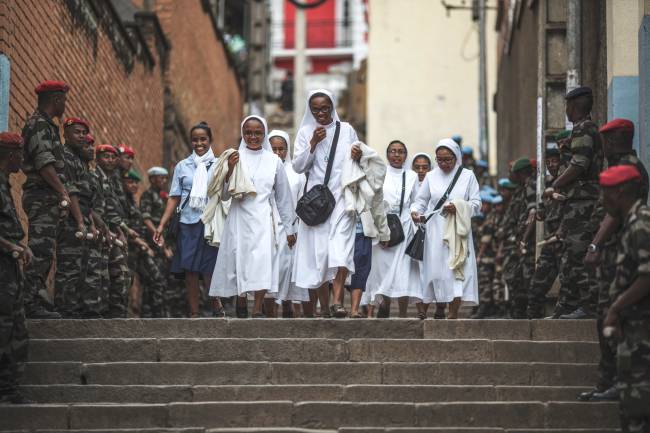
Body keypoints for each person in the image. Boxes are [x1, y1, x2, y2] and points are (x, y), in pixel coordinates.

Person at [579, 119, 649, 403]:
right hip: (617, 253)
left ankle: (614, 383)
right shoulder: (623, 166)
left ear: (617, 140)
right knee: (606, 316)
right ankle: (610, 382)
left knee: (610, 315)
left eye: (607, 141)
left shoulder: (627, 170)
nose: (604, 146)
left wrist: (595, 244)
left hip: (621, 254)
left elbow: (615, 213)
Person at [209, 116, 296, 318]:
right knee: (239, 259)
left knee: (262, 262)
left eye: (257, 133)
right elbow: (222, 195)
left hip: (263, 219)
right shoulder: (234, 156)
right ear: (242, 133)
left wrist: (290, 229)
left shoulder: (274, 161)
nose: (253, 136)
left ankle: (257, 307)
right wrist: (229, 169)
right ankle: (240, 298)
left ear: (264, 134)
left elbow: (283, 199)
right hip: (238, 217)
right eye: (248, 132)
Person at [291, 89, 362, 318]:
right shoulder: (304, 132)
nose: (320, 113)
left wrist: (358, 156)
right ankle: (325, 306)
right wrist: (312, 143)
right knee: (319, 256)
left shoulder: (347, 130)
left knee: (341, 250)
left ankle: (338, 301)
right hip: (318, 204)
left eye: (325, 108)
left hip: (341, 199)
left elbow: (357, 163)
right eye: (315, 109)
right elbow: (298, 167)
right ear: (310, 110)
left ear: (332, 107)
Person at [155, 122, 223, 318]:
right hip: (188, 222)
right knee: (190, 268)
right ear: (190, 141)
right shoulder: (182, 166)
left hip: (210, 222)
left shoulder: (219, 164)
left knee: (210, 266)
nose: (199, 143)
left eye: (203, 139)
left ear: (210, 140)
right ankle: (193, 312)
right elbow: (174, 196)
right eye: (195, 139)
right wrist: (161, 224)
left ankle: (215, 304)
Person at [600, 165, 650, 433]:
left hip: (642, 333)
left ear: (619, 193)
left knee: (638, 408)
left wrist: (615, 309)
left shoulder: (641, 223)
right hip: (632, 331)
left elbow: (647, 276)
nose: (602, 199)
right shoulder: (631, 222)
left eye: (605, 193)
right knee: (630, 406)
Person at [548, 86, 604, 319]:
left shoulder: (583, 128)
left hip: (584, 203)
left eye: (568, 106)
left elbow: (579, 164)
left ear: (574, 106)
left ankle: (588, 306)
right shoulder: (584, 130)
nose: (567, 110)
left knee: (579, 255)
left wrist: (555, 185)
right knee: (570, 257)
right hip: (577, 203)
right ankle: (569, 305)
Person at [411, 138, 481, 319]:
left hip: (458, 230)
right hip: (435, 231)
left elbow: (476, 204)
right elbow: (420, 201)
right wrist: (415, 212)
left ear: (456, 157)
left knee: (457, 271)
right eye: (440, 160)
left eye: (448, 159)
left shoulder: (468, 176)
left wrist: (458, 207)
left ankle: (453, 312)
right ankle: (434, 306)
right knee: (436, 270)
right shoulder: (431, 176)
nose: (444, 163)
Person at [21, 80, 72, 319]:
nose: (65, 104)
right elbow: (44, 164)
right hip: (41, 197)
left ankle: (33, 298)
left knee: (44, 252)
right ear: (56, 100)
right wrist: (62, 191)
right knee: (40, 252)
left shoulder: (47, 126)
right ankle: (28, 303)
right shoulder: (38, 125)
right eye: (63, 99)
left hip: (47, 199)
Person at [54, 117, 103, 318]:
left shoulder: (80, 162)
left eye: (84, 133)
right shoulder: (65, 155)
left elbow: (86, 201)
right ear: (65, 133)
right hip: (69, 220)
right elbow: (71, 192)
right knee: (68, 266)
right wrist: (81, 222)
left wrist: (89, 222)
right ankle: (63, 309)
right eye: (77, 132)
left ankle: (72, 309)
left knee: (79, 266)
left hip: (80, 218)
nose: (82, 136)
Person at [366, 140, 420, 318]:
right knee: (382, 270)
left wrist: (414, 212)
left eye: (401, 152)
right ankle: (384, 305)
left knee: (403, 272)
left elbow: (417, 201)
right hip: (382, 225)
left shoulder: (411, 176)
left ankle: (403, 314)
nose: (397, 155)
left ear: (406, 155)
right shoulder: (379, 172)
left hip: (404, 227)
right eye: (393, 151)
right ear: (387, 154)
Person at [0, 132, 32, 404]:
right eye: (19, 154)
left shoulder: (5, 185)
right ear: (11, 155)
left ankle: (10, 389)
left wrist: (21, 245)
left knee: (17, 329)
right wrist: (11, 246)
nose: (22, 160)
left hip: (10, 271)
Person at [268, 129, 308, 317]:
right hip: (266, 224)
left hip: (290, 227)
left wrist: (296, 228)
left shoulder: (297, 173)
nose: (277, 153)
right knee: (269, 268)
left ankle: (286, 304)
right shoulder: (264, 168)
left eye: (281, 149)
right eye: (273, 148)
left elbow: (301, 202)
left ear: (287, 149)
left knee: (286, 267)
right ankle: (269, 308)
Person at [526, 145, 565, 319]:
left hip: (565, 241)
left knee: (570, 284)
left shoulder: (570, 183)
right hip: (550, 242)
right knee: (537, 285)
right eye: (548, 162)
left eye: (554, 161)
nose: (551, 165)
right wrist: (537, 209)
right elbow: (541, 214)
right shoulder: (548, 185)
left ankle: (562, 316)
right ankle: (532, 321)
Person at [141, 167, 185, 317]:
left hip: (163, 247)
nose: (164, 181)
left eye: (166, 178)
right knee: (155, 281)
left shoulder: (163, 197)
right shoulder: (148, 195)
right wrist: (161, 241)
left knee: (162, 282)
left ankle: (159, 314)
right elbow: (146, 219)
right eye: (161, 178)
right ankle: (151, 315)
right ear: (152, 179)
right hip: (153, 246)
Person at [95, 144, 130, 317]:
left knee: (120, 273)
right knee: (100, 275)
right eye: (105, 157)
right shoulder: (95, 176)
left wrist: (119, 230)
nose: (109, 160)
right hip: (97, 231)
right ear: (97, 159)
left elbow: (110, 209)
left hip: (110, 232)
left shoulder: (109, 180)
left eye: (112, 157)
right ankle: (100, 314)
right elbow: (89, 207)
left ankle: (116, 315)